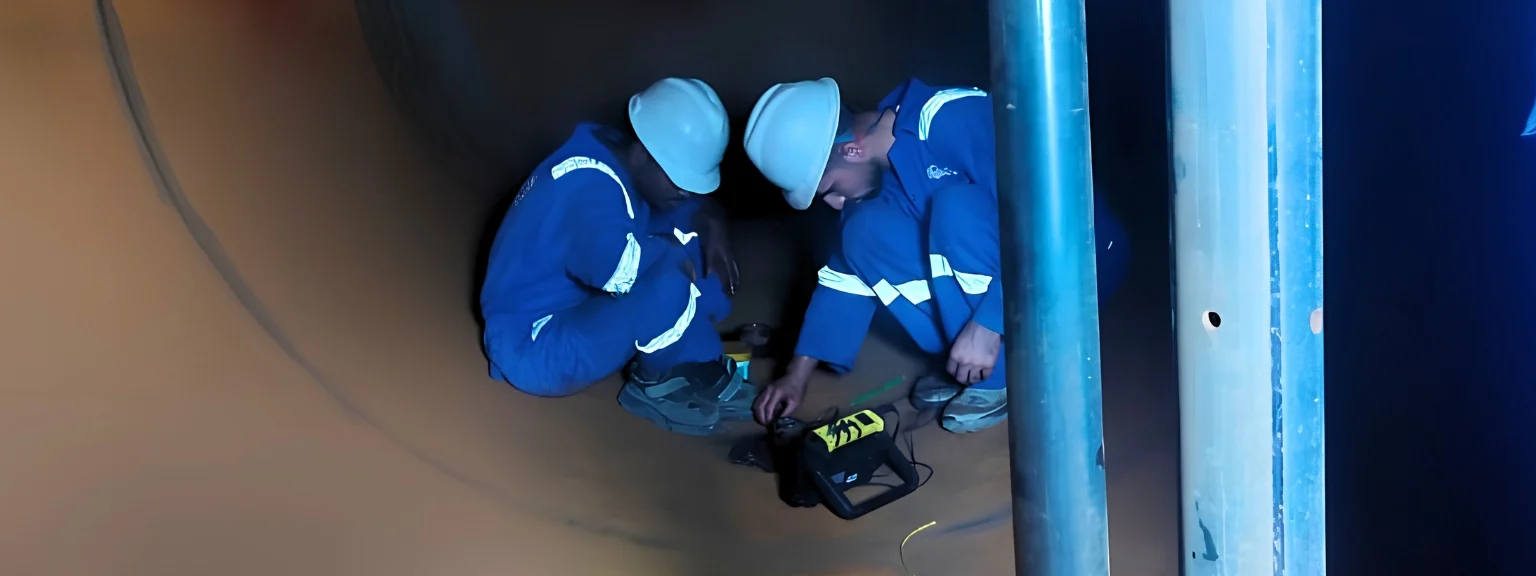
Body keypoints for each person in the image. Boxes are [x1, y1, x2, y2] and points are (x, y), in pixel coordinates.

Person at [741, 77, 1131, 434]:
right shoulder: (888, 168)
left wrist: (989, 323)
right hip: (1021, 283)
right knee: (862, 232)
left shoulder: (952, 118)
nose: (835, 202)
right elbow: (842, 279)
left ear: (853, 149)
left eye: (828, 188)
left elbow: (1049, 213)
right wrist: (796, 374)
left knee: (956, 209)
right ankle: (971, 366)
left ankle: (1006, 370)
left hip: (1082, 264)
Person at [479, 77, 755, 436]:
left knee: (685, 232)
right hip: (532, 345)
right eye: (679, 180)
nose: (686, 191)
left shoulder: (614, 156)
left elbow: (682, 209)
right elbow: (617, 272)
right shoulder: (591, 187)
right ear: (642, 152)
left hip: (567, 311)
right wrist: (672, 250)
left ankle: (696, 347)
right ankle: (656, 384)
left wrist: (709, 220)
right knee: (667, 282)